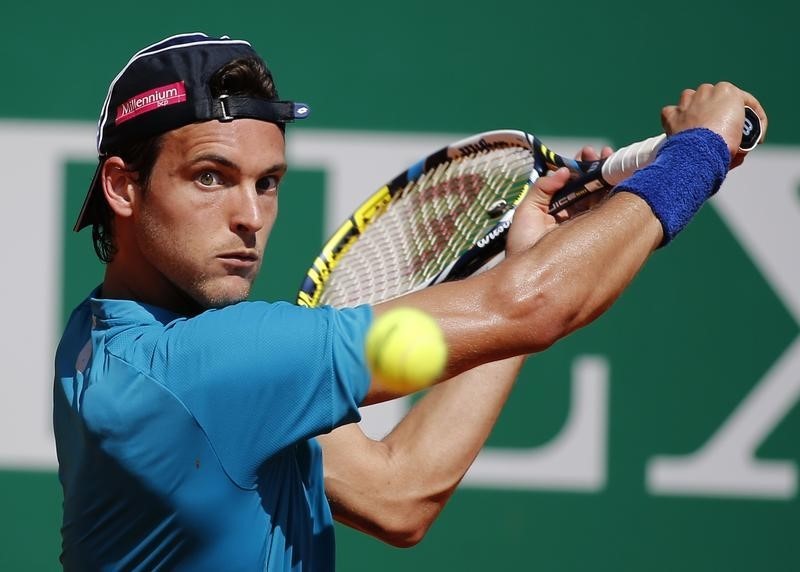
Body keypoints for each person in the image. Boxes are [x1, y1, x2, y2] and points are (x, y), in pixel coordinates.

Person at [53, 32, 766, 571]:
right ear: (123, 187)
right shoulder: (210, 369)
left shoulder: (97, 342)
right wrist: (697, 153)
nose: (251, 216)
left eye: (267, 183)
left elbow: (400, 494)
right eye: (211, 177)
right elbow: (538, 306)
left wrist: (527, 256)